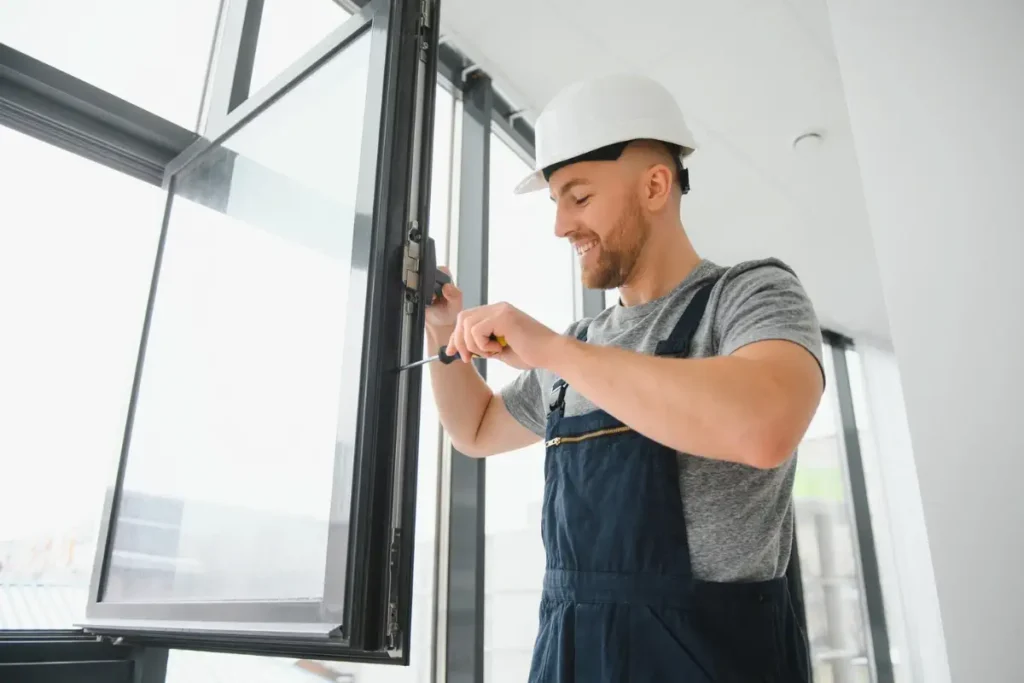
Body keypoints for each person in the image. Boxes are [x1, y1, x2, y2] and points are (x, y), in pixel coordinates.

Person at [426, 73, 823, 682]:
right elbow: (475, 429)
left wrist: (554, 351)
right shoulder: (580, 348)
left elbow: (765, 427)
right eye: (555, 202)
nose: (560, 226)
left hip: (713, 661)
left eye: (578, 198)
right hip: (574, 658)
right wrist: (441, 325)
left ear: (656, 185)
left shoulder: (748, 295)